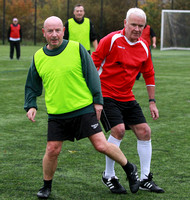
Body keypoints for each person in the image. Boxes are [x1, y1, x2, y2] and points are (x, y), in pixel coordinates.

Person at [24, 16, 140, 199]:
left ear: (63, 30)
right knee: (52, 149)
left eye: (57, 30)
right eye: (50, 31)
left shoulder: (76, 48)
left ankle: (129, 167)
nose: (54, 35)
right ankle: (46, 186)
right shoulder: (38, 56)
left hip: (83, 109)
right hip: (57, 113)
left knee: (101, 145)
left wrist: (98, 100)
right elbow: (32, 84)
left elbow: (92, 75)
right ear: (43, 33)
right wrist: (31, 105)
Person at [92, 8, 164, 194]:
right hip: (106, 94)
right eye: (133, 24)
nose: (137, 29)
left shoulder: (144, 46)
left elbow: (149, 74)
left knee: (144, 131)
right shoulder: (111, 40)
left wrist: (152, 101)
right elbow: (94, 65)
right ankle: (109, 175)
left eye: (141, 26)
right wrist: (94, 97)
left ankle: (145, 178)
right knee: (119, 130)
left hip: (127, 96)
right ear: (125, 23)